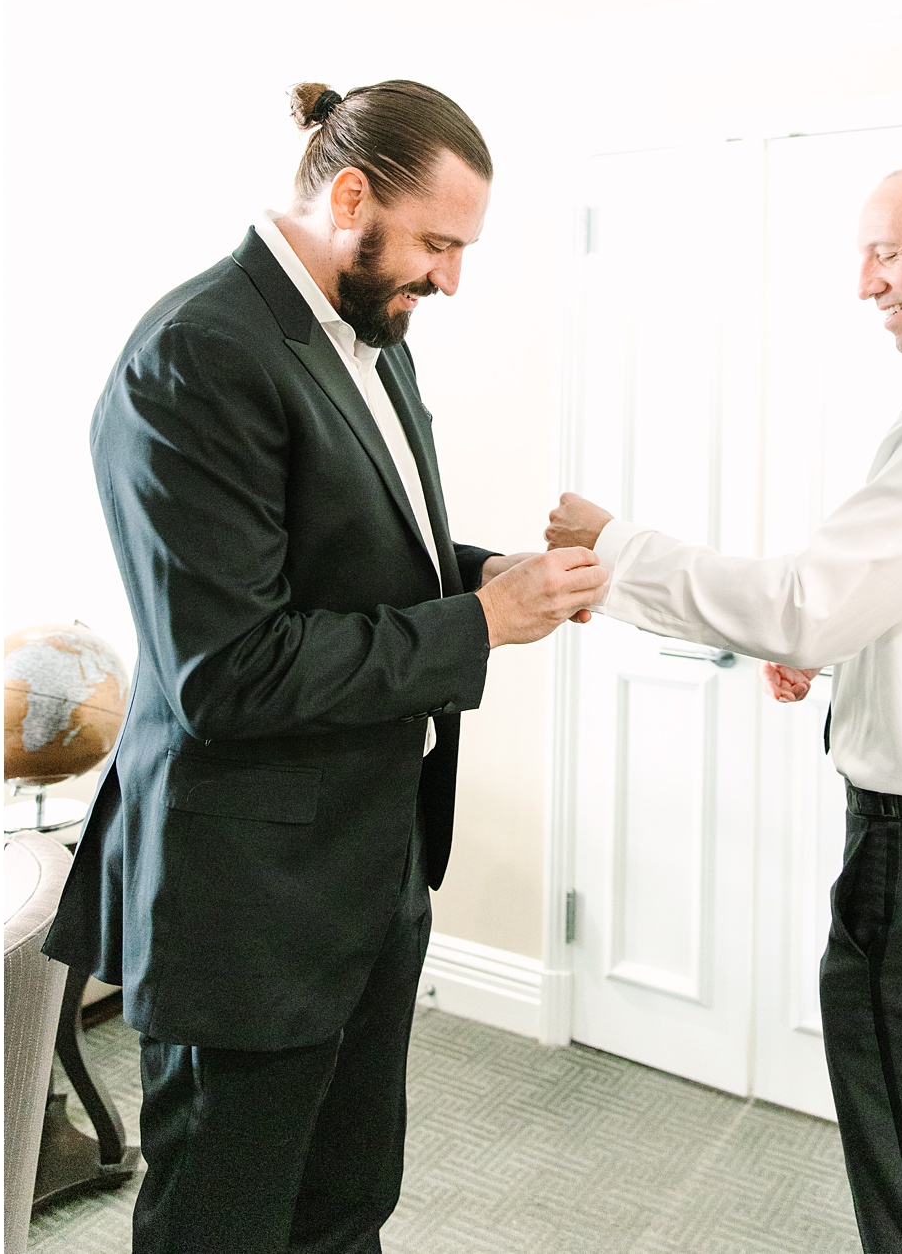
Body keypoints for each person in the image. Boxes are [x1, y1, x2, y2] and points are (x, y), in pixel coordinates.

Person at [45, 80, 610, 1254]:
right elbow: (230, 667)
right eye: (439, 243)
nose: (452, 277)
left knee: (348, 1204)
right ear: (348, 195)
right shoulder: (195, 355)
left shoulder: (375, 333)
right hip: (247, 892)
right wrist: (481, 624)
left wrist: (494, 573)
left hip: (371, 861)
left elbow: (365, 553)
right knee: (227, 1223)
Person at [546, 152, 902, 1254]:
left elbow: (806, 599)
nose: (864, 281)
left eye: (886, 251)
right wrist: (846, 659)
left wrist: (618, 549)